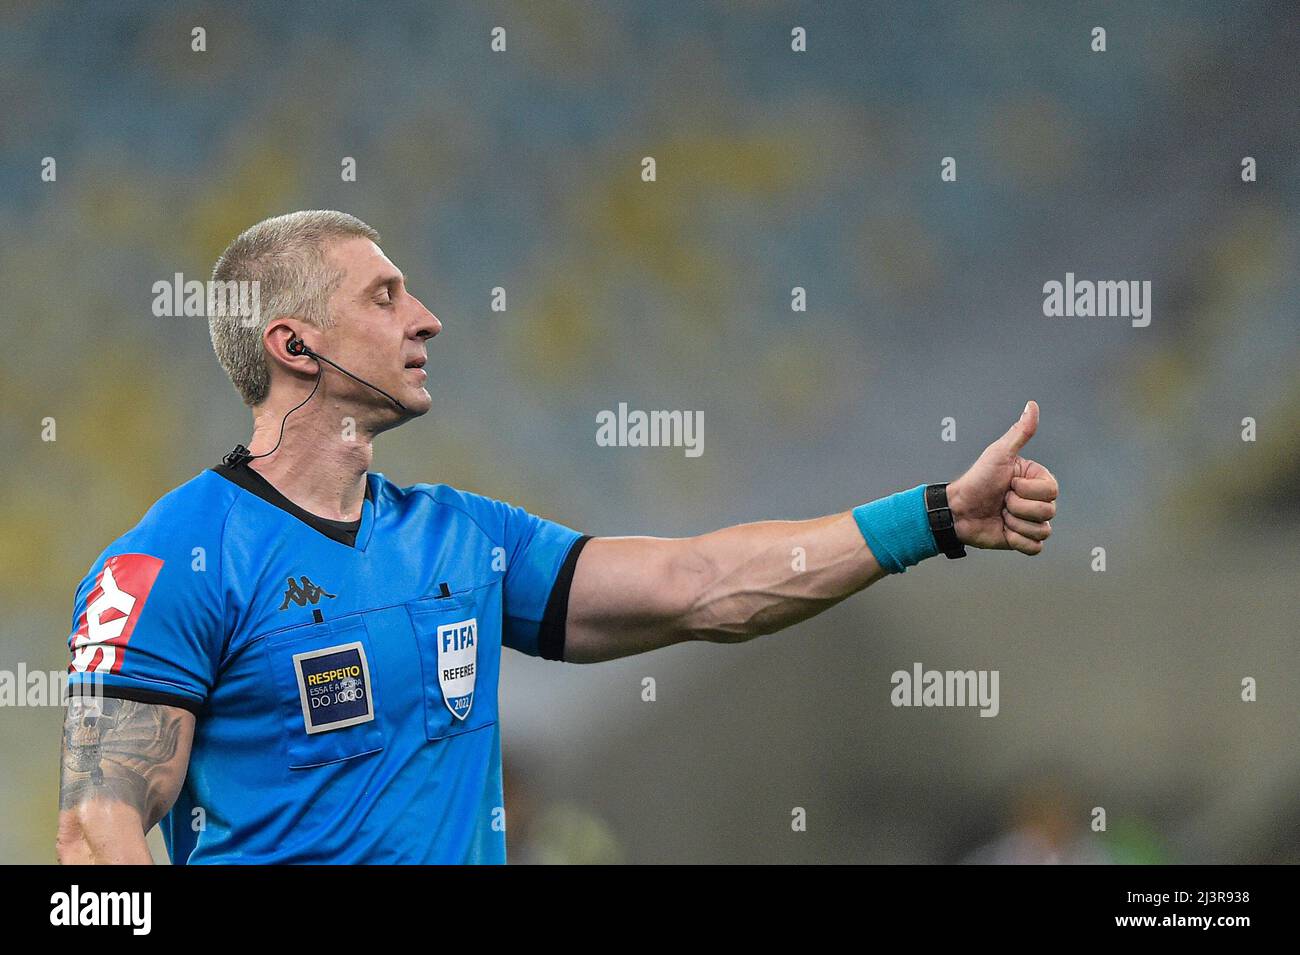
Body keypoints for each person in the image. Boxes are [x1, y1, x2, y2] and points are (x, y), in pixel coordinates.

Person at [57, 210, 1059, 864]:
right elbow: (97, 830)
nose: (429, 319)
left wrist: (930, 519)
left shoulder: (463, 537)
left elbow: (701, 585)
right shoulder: (171, 561)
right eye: (384, 295)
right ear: (294, 343)